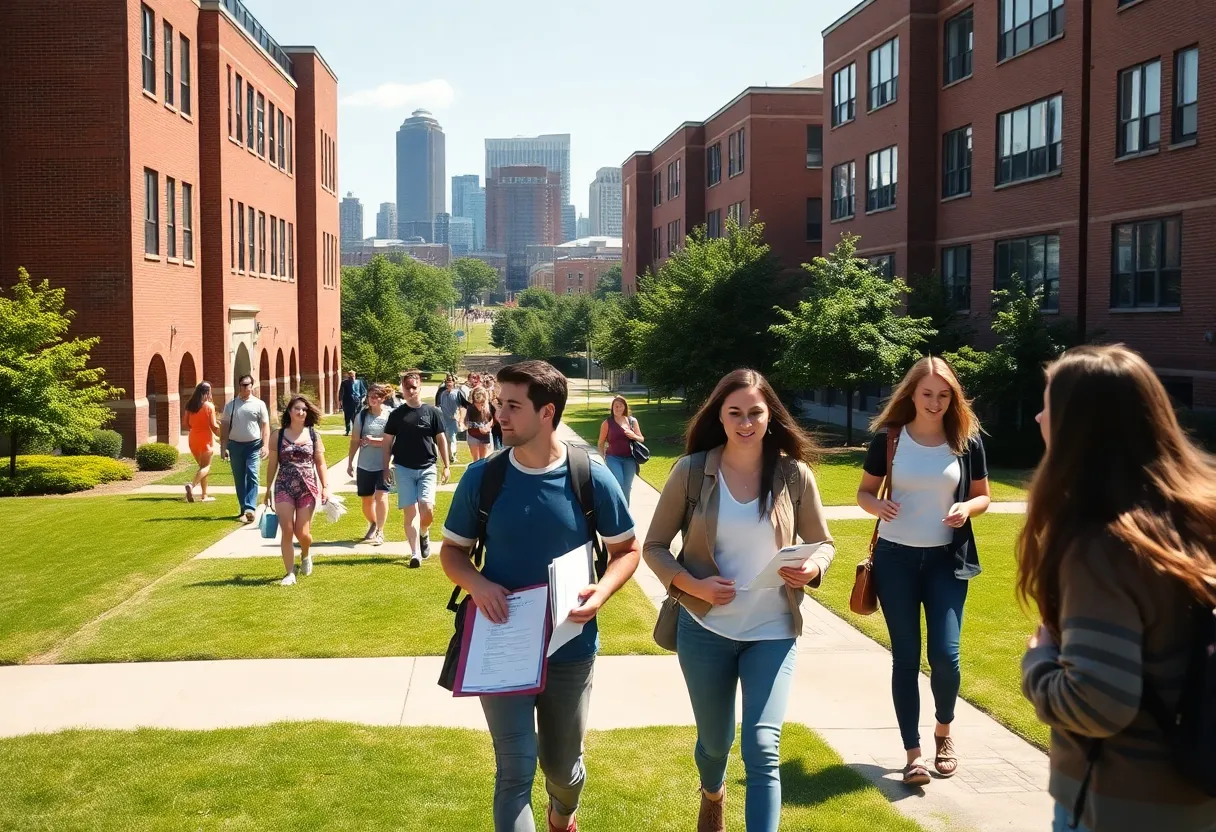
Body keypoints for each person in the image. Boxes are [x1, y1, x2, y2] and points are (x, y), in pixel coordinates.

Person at [1019, 345, 1216, 832]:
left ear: (1078, 427)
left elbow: (1097, 701)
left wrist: (1038, 662)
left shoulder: (1103, 547)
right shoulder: (1196, 519)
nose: (1040, 416)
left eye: (1049, 404)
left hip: (1121, 805)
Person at [440, 360, 640, 832]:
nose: (499, 415)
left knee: (561, 769)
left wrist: (602, 591)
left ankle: (562, 814)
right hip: (502, 644)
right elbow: (452, 553)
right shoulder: (483, 478)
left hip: (570, 647)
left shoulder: (589, 475)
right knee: (514, 769)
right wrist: (479, 583)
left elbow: (627, 551)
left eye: (512, 406)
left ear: (547, 411)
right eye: (499, 404)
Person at [644, 368, 834, 832]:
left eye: (755, 412)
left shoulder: (794, 475)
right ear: (720, 416)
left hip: (772, 631)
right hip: (705, 630)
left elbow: (823, 543)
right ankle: (713, 792)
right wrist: (693, 585)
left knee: (764, 746)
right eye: (735, 413)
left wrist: (813, 568)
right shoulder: (691, 472)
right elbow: (653, 547)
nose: (746, 423)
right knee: (715, 742)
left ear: (770, 415)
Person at [855, 356, 990, 787]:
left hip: (945, 562)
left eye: (944, 395)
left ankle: (944, 731)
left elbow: (982, 496)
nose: (935, 403)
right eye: (928, 393)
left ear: (953, 398)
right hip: (895, 560)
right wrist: (877, 505)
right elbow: (863, 492)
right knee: (906, 658)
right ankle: (913, 754)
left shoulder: (965, 440)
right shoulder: (890, 438)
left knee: (946, 658)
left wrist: (965, 508)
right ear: (911, 393)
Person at [382, 369, 451, 568]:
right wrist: (385, 468)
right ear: (402, 389)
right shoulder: (396, 415)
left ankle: (424, 532)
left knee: (427, 510)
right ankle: (414, 553)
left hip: (428, 467)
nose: (411, 390)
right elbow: (387, 443)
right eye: (407, 387)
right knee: (410, 513)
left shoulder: (432, 412)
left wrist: (446, 466)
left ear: (420, 388)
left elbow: (441, 440)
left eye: (414, 387)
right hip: (403, 468)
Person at [265, 395, 330, 586]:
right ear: (290, 412)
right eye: (297, 409)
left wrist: (325, 487)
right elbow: (272, 464)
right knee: (287, 529)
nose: (301, 412)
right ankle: (289, 573)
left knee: (302, 533)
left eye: (304, 409)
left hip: (307, 487)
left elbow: (321, 464)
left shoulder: (313, 436)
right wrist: (267, 489)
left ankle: (306, 552)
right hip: (283, 486)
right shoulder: (278, 435)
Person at [346, 383, 394, 546]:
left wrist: (378, 441)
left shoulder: (390, 415)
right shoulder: (362, 416)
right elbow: (354, 440)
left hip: (384, 464)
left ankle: (380, 531)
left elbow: (395, 440)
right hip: (365, 464)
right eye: (371, 396)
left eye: (377, 396)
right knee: (366, 500)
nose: (373, 399)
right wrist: (350, 461)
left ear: (383, 398)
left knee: (381, 496)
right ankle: (373, 522)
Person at [220, 374, 271, 523]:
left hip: (253, 445)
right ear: (239, 386)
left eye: (248, 385)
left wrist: (266, 445)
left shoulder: (259, 404)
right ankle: (244, 508)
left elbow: (265, 426)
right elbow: (224, 426)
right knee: (239, 478)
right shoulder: (231, 405)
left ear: (252, 386)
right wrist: (223, 447)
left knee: (253, 474)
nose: (246, 387)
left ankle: (250, 507)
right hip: (235, 445)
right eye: (243, 385)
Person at [597, 396, 644, 504]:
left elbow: (641, 439)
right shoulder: (607, 423)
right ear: (612, 408)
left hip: (630, 459)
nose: (617, 408)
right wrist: (602, 458)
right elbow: (600, 442)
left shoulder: (632, 421)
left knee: (627, 487)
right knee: (619, 483)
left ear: (625, 408)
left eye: (620, 406)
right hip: (613, 458)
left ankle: (625, 512)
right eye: (615, 406)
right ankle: (616, 508)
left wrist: (633, 435)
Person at [183, 381, 220, 503]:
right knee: (206, 467)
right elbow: (214, 426)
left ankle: (204, 495)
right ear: (207, 392)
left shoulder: (190, 405)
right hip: (205, 439)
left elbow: (186, 424)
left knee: (202, 467)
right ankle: (192, 486)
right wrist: (224, 437)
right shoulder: (209, 406)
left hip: (193, 438)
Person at [436, 374, 467, 464]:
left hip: (453, 420)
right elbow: (439, 406)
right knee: (446, 438)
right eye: (447, 381)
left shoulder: (458, 393)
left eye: (450, 381)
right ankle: (448, 455)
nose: (448, 383)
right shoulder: (442, 393)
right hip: (443, 419)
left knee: (452, 438)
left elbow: (462, 407)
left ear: (454, 382)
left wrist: (461, 419)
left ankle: (453, 455)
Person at [463, 385, 496, 463]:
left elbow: (492, 419)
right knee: (475, 459)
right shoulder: (470, 407)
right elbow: (466, 423)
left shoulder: (489, 407)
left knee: (483, 459)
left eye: (481, 403)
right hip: (473, 434)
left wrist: (488, 426)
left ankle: (481, 473)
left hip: (485, 434)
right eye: (477, 402)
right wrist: (479, 427)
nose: (479, 405)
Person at [339, 370, 367, 436]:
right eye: (350, 376)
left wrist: (361, 398)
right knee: (347, 416)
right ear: (348, 376)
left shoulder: (359, 382)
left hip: (357, 402)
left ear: (355, 375)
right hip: (347, 402)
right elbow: (341, 392)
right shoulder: (344, 383)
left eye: (353, 376)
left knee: (356, 417)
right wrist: (340, 400)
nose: (351, 378)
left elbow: (364, 391)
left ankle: (356, 431)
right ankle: (347, 430)